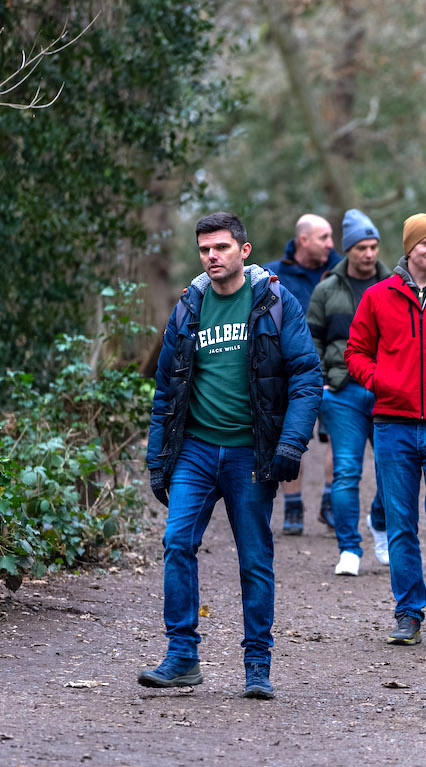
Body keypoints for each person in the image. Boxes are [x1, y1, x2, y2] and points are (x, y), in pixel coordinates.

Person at [141, 212, 321, 699]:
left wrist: (291, 443)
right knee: (178, 543)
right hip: (196, 450)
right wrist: (158, 459)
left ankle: (257, 665)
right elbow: (166, 390)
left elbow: (307, 377)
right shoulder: (188, 308)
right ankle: (181, 657)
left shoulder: (275, 302)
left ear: (244, 250)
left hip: (250, 453)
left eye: (221, 247)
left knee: (254, 557)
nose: (212, 257)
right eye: (204, 250)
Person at [346, 213, 426, 647]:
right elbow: (356, 353)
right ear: (409, 249)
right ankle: (407, 614)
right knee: (401, 522)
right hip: (392, 426)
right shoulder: (378, 296)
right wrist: (381, 381)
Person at [307, 209, 392, 576]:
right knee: (346, 472)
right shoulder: (327, 289)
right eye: (361, 247)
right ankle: (349, 550)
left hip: (387, 390)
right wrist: (321, 382)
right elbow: (310, 339)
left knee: (393, 472)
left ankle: (379, 523)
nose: (369, 254)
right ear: (348, 250)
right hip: (341, 392)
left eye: (373, 246)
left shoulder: (395, 286)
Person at [263, 213, 343, 536]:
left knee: (336, 437)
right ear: (303, 240)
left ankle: (329, 501)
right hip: (289, 371)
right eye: (324, 237)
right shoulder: (273, 274)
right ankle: (293, 505)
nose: (331, 244)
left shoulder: (341, 270)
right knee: (291, 434)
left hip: (332, 371)